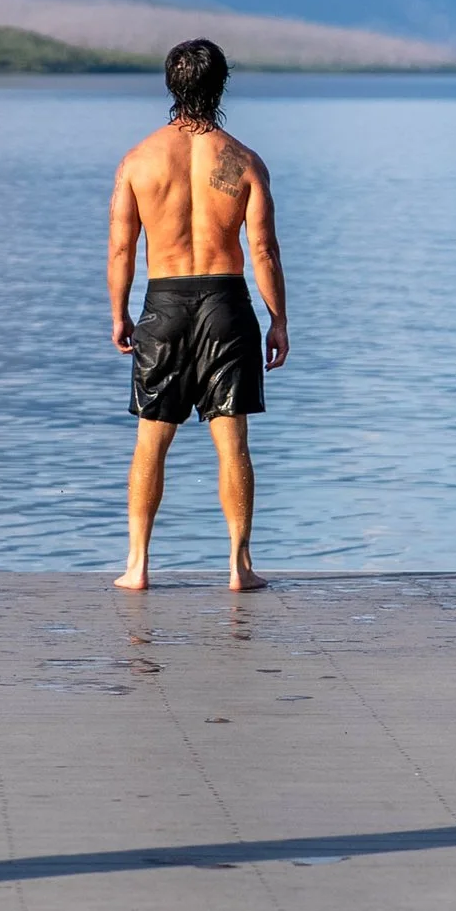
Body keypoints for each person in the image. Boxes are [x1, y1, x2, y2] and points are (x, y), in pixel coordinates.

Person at [107, 38, 288, 591]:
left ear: (170, 86)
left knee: (150, 441)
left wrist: (119, 313)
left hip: (163, 305)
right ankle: (239, 566)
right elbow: (263, 251)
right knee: (232, 442)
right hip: (226, 305)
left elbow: (120, 248)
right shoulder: (243, 162)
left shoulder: (139, 160)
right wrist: (278, 319)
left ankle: (137, 566)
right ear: (221, 85)